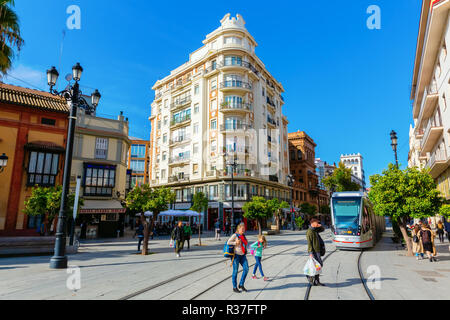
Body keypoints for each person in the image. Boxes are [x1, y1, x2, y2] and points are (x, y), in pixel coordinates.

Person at [227, 222, 249, 293]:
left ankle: (241, 284)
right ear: (238, 229)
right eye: (242, 229)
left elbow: (245, 244)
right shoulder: (235, 235)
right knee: (235, 271)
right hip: (236, 255)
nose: (243, 230)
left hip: (242, 255)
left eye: (244, 229)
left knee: (246, 269)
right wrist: (235, 243)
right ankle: (234, 287)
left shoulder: (243, 236)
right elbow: (228, 242)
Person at [306, 217, 326, 286]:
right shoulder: (309, 232)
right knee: (318, 265)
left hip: (318, 250)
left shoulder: (315, 230)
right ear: (312, 223)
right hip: (314, 251)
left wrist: (320, 225)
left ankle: (317, 281)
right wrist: (310, 253)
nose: (318, 224)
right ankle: (309, 276)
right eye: (317, 223)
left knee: (318, 265)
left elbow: (323, 229)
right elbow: (309, 243)